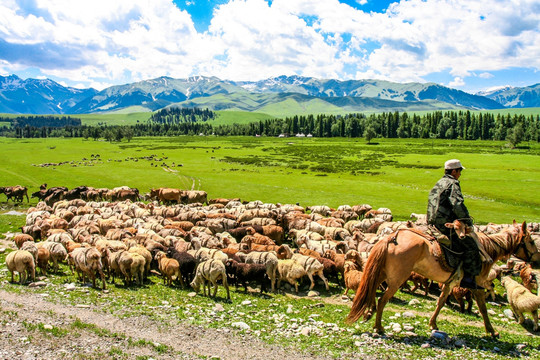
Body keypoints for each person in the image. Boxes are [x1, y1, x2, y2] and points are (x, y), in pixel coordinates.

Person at [427, 159, 483, 289]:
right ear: (453, 171)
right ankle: (468, 279)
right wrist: (467, 221)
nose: (460, 174)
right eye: (459, 171)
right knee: (471, 247)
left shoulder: (439, 183)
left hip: (432, 223)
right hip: (445, 224)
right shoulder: (452, 184)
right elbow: (457, 204)